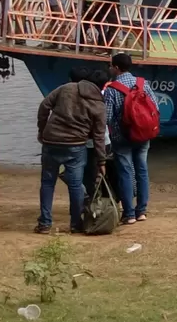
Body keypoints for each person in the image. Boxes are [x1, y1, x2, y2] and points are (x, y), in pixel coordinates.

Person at [36, 67, 107, 234]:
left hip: (51, 141)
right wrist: (101, 161)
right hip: (76, 146)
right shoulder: (98, 105)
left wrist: (42, 129)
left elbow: (44, 106)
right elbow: (99, 137)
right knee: (75, 185)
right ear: (103, 86)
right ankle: (76, 224)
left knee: (47, 183)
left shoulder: (66, 88)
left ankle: (45, 223)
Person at [104, 53, 157, 225]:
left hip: (122, 138)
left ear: (117, 68)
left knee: (125, 173)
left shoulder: (112, 89)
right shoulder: (143, 84)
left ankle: (129, 213)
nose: (109, 68)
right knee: (142, 170)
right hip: (143, 135)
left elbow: (108, 117)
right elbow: (155, 108)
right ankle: (141, 211)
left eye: (111, 65)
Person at [82, 71, 115, 201]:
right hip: (105, 141)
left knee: (89, 174)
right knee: (104, 173)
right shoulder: (106, 95)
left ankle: (91, 200)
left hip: (88, 143)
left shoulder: (85, 98)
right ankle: (106, 200)